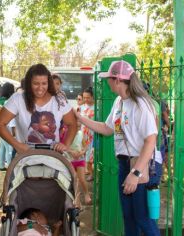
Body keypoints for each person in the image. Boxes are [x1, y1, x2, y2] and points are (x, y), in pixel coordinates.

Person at [75, 60, 160, 235]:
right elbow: (107, 129)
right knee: (129, 217)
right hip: (124, 164)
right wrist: (80, 118)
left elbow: (151, 140)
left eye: (109, 78)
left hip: (141, 166)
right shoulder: (119, 102)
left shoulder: (141, 104)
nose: (107, 82)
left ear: (118, 80)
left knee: (143, 218)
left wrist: (135, 173)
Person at [0, 63, 77, 154]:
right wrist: (17, 145)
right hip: (25, 157)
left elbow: (72, 124)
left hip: (53, 158)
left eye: (44, 83)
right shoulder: (18, 99)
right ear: (29, 83)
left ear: (49, 83)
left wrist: (65, 145)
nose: (40, 88)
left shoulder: (59, 100)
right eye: (36, 83)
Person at [0, 82, 15, 171]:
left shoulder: (2, 99)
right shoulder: (4, 100)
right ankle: (10, 167)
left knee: (2, 147)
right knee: (9, 147)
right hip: (5, 127)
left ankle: (1, 166)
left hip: (3, 126)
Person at [69, 121, 92, 205]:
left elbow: (85, 146)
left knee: (82, 179)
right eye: (77, 126)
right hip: (70, 160)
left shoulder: (80, 134)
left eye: (79, 127)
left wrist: (82, 152)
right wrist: (72, 152)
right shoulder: (68, 134)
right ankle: (77, 200)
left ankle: (86, 193)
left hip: (80, 159)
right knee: (74, 180)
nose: (78, 129)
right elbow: (65, 146)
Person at [80, 87, 95, 181]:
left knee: (91, 156)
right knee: (85, 154)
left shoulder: (97, 107)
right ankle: (89, 172)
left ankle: (92, 173)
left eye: (88, 97)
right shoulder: (82, 106)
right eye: (84, 97)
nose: (85, 99)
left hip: (92, 134)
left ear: (93, 97)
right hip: (83, 135)